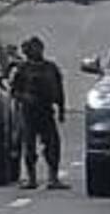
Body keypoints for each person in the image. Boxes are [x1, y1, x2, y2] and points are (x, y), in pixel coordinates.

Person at [11, 37, 69, 190]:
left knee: (52, 144)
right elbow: (14, 91)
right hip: (29, 112)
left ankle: (53, 177)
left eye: (38, 47)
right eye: (32, 48)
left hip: (46, 111)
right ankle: (31, 178)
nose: (36, 51)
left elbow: (59, 89)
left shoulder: (50, 68)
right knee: (29, 145)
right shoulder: (22, 69)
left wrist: (61, 109)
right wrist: (25, 97)